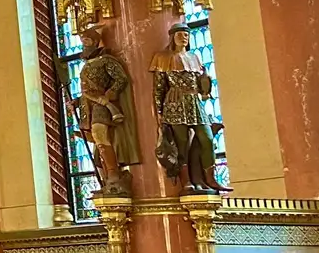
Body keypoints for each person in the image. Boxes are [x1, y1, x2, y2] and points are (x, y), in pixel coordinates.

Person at [152, 24, 221, 193]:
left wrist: (205, 85)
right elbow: (159, 87)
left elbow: (201, 83)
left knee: (207, 138)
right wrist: (159, 112)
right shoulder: (162, 58)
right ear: (172, 37)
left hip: (194, 102)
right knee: (181, 143)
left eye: (186, 35)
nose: (184, 38)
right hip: (175, 102)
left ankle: (211, 179)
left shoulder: (194, 57)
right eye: (180, 35)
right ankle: (186, 181)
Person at [74, 26, 138, 195]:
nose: (84, 44)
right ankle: (105, 177)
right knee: (97, 140)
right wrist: (76, 102)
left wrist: (108, 96)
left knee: (100, 134)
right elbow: (87, 91)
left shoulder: (106, 60)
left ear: (95, 42)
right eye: (82, 41)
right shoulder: (86, 66)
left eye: (87, 40)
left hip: (102, 105)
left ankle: (113, 173)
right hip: (88, 107)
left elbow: (121, 79)